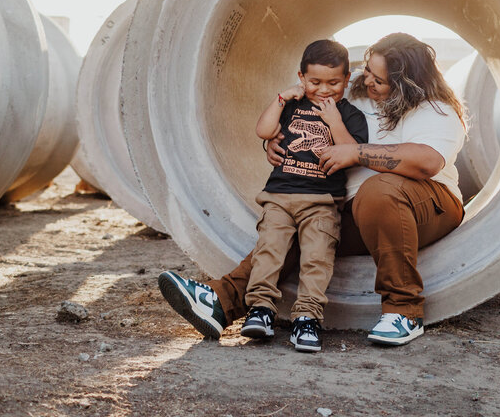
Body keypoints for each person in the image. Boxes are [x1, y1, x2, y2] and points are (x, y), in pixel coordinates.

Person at [159, 32, 466, 347]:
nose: (368, 80)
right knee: (305, 216)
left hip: (426, 207)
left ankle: (404, 310)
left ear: (407, 85)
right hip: (356, 209)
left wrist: (357, 152)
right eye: (368, 71)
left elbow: (427, 161)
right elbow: (303, 115)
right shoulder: (356, 90)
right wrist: (278, 142)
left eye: (380, 80)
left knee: (380, 190)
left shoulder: (434, 109)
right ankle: (219, 302)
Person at [229, 38, 368, 352]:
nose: (324, 89)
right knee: (269, 250)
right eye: (315, 81)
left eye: (334, 82)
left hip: (322, 202)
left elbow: (349, 151)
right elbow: (264, 131)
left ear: (347, 79)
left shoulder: (351, 115)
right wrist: (280, 99)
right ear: (301, 77)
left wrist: (334, 121)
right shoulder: (291, 105)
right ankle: (261, 309)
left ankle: (307, 317)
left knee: (317, 258)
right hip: (280, 196)